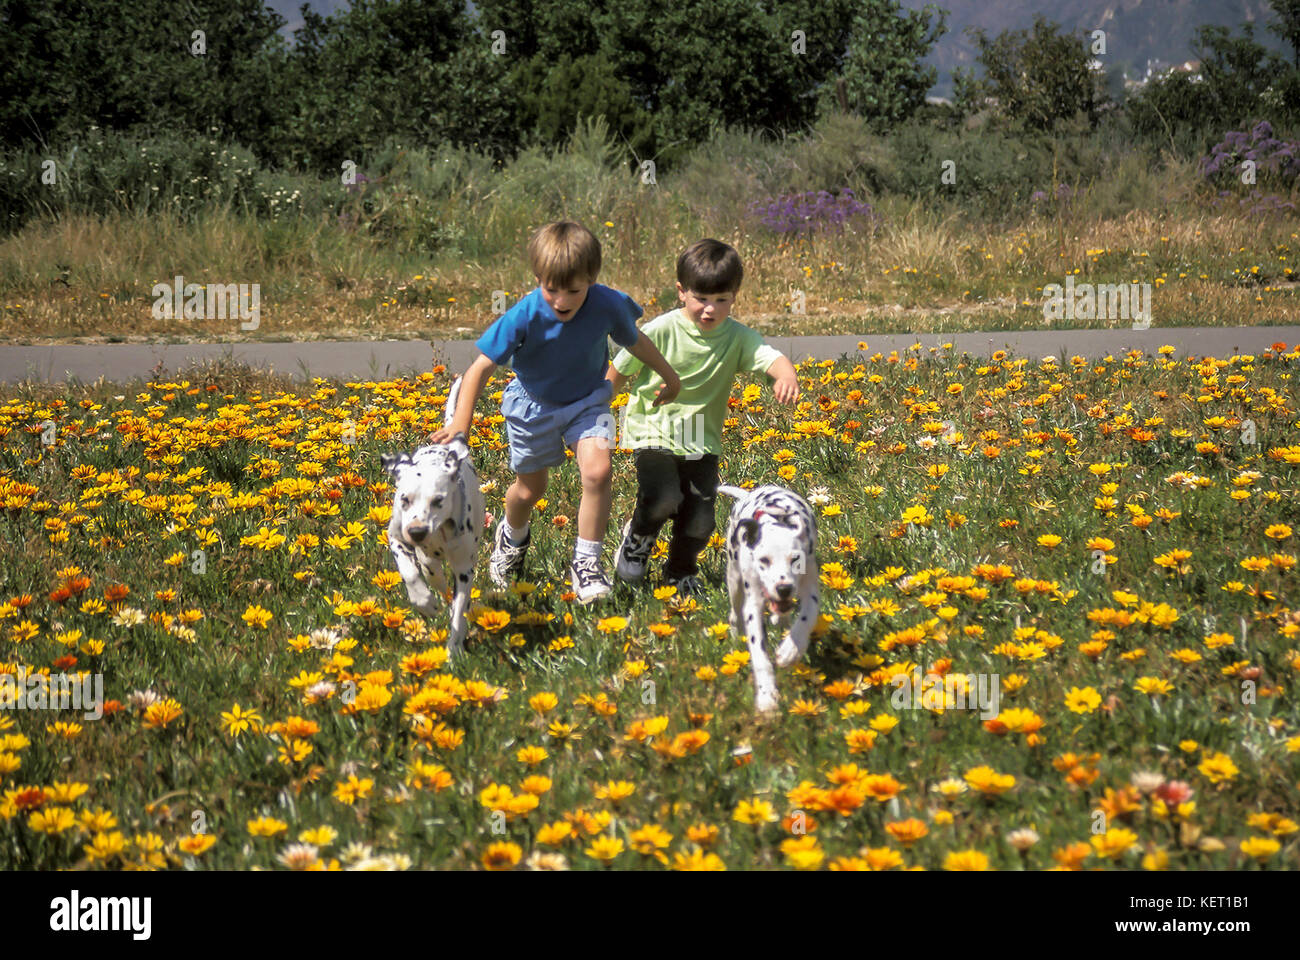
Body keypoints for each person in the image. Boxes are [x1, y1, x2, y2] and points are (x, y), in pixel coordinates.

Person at [428, 220, 680, 602]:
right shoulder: (525, 315)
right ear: (538, 278)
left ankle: (587, 565)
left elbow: (636, 342)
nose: (562, 301)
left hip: (588, 401)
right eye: (551, 290)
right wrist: (461, 424)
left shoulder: (607, 304)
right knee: (530, 491)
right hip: (532, 407)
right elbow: (480, 368)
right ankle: (511, 536)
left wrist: (669, 375)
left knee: (598, 472)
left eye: (574, 291)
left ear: (592, 279)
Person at [607, 238, 799, 596]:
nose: (710, 310)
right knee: (663, 495)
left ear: (734, 297)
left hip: (700, 437)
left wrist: (786, 375)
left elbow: (771, 357)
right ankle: (637, 539)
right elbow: (620, 368)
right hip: (655, 426)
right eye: (701, 299)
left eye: (721, 300)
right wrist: (600, 403)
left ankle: (680, 570)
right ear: (681, 292)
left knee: (699, 517)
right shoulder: (661, 329)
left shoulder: (738, 337)